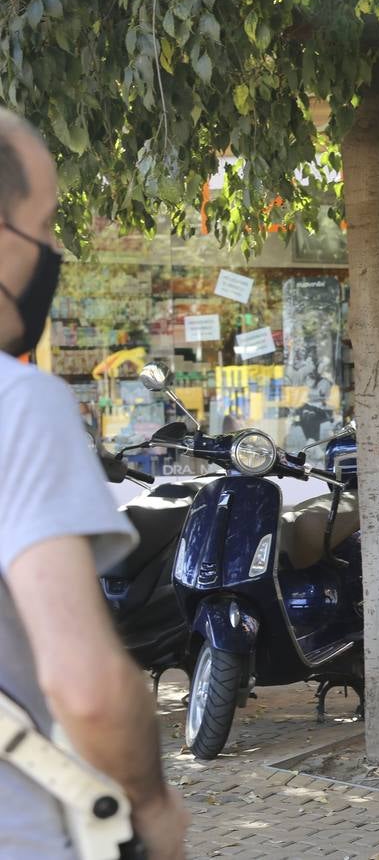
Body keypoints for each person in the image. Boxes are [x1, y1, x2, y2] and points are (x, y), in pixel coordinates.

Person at [0, 109, 189, 857]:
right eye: (43, 227)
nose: (52, 252)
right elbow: (86, 686)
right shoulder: (18, 404)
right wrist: (150, 803)